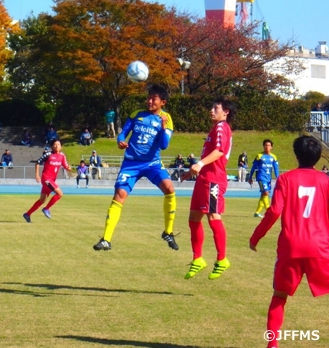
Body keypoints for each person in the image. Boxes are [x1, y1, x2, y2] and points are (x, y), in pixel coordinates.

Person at [249, 136, 329, 348]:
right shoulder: (325, 181)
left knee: (279, 296)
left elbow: (274, 211)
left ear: (296, 155)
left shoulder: (286, 179)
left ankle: (272, 345)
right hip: (320, 247)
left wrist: (256, 236)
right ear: (318, 156)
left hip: (291, 247)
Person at [93, 84, 179, 252]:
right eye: (148, 97)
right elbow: (123, 133)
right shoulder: (137, 114)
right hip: (131, 163)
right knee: (120, 195)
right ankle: (106, 239)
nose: (149, 101)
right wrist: (120, 141)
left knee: (169, 188)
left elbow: (164, 145)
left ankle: (168, 232)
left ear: (163, 102)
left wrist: (162, 127)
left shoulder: (166, 119)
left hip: (152, 163)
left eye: (153, 98)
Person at [184, 98, 236, 280]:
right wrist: (191, 172)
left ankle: (222, 259)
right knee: (194, 218)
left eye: (215, 108)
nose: (211, 110)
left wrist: (200, 163)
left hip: (213, 180)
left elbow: (220, 151)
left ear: (225, 112)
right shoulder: (215, 128)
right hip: (204, 179)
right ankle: (197, 259)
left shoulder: (222, 127)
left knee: (213, 216)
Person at [23, 140, 72, 222]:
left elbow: (66, 166)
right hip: (46, 179)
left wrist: (69, 168)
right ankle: (46, 209)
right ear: (52, 146)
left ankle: (27, 214)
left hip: (51, 180)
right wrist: (37, 175)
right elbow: (37, 163)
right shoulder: (48, 154)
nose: (56, 146)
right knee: (60, 194)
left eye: (58, 144)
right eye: (55, 144)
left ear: (61, 146)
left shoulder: (62, 156)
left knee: (42, 200)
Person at [248, 139, 280, 218]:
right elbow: (253, 167)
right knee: (265, 193)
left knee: (264, 194)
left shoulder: (273, 157)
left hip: (268, 178)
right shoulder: (259, 156)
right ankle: (269, 211)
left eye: (268, 145)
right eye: (265, 145)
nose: (267, 147)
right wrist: (250, 176)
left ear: (271, 147)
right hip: (261, 178)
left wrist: (278, 178)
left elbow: (276, 169)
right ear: (263, 146)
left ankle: (257, 212)